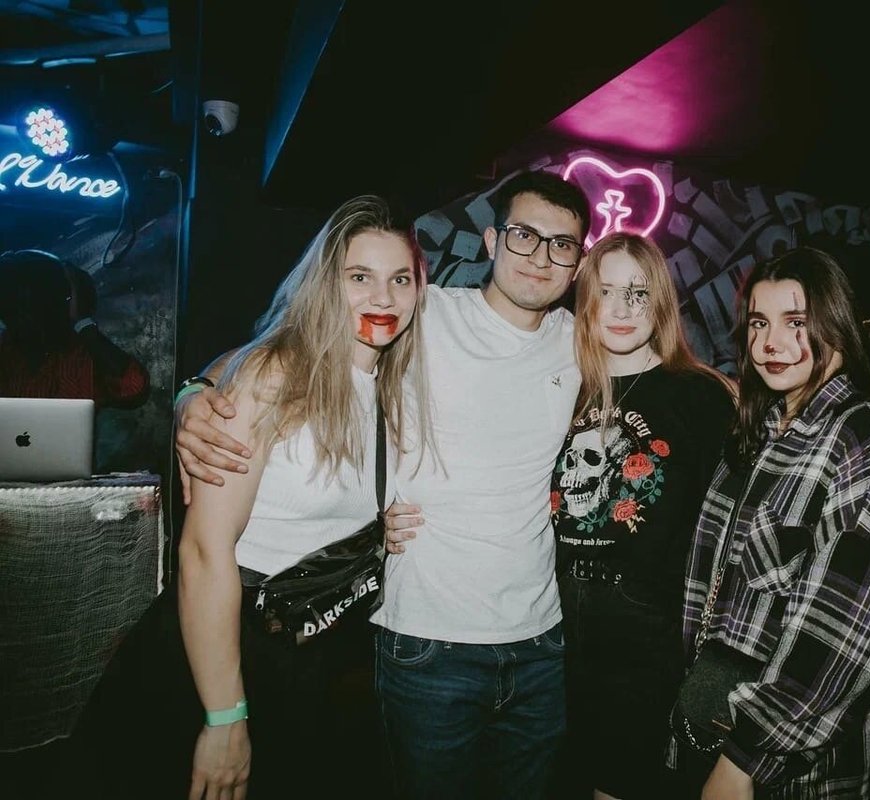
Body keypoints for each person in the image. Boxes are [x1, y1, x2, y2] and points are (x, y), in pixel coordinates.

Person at [174, 170, 591, 800]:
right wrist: (194, 395)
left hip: (515, 643)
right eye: (524, 235)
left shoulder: (574, 342)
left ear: (578, 262)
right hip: (411, 644)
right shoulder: (427, 317)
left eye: (561, 244)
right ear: (492, 240)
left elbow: (661, 358)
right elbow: (265, 354)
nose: (540, 256)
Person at [84, 195, 429, 799]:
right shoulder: (275, 374)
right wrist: (223, 717)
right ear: (326, 285)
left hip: (313, 655)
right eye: (359, 277)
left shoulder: (390, 383)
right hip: (226, 647)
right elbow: (203, 552)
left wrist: (383, 527)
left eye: (399, 279)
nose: (382, 297)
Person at [669, 247, 870, 799]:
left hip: (792, 766)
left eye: (796, 322)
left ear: (838, 324)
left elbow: (838, 630)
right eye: (759, 322)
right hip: (715, 716)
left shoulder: (863, 433)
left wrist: (745, 759)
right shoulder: (760, 426)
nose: (770, 342)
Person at [551, 232, 735, 799]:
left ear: (660, 302)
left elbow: (742, 529)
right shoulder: (563, 388)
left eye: (638, 292)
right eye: (606, 292)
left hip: (648, 637)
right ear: (585, 300)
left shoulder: (701, 396)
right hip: (553, 630)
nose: (623, 309)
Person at [0, 248, 149, 406]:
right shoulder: (7, 352)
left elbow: (134, 387)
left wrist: (83, 322)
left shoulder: (82, 355)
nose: (20, 317)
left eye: (26, 307)